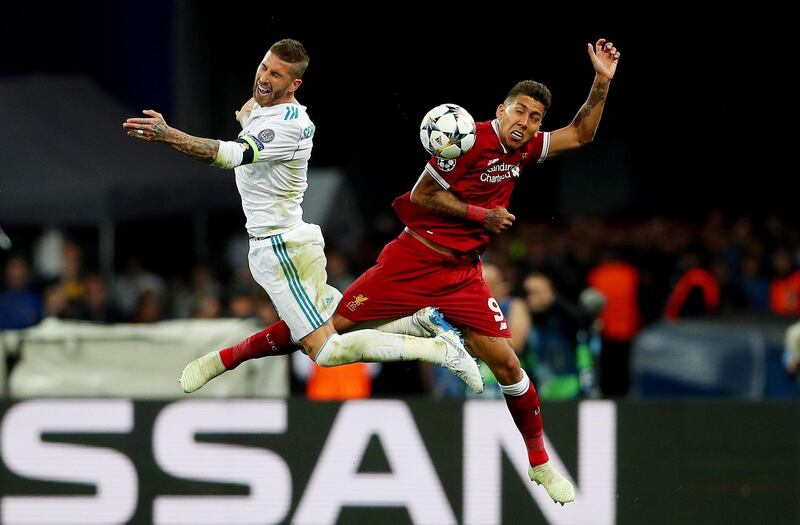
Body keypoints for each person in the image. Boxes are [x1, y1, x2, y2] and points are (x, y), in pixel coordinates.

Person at [181, 38, 620, 505]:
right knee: (321, 336)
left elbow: (582, 133)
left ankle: (540, 464)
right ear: (502, 109)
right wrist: (479, 215)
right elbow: (421, 197)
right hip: (411, 262)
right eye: (520, 112)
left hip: (463, 275)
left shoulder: (526, 149)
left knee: (509, 364)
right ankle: (226, 359)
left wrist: (600, 82)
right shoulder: (464, 137)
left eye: (534, 118)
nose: (526, 123)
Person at [122, 39, 482, 392]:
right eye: (264, 67)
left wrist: (168, 135)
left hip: (281, 247)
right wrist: (249, 113)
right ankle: (418, 323)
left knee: (325, 350)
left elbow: (229, 156)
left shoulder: (290, 125)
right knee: (335, 326)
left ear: (294, 85)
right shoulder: (263, 105)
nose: (264, 78)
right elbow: (250, 113)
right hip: (287, 241)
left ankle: (438, 350)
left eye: (277, 75)